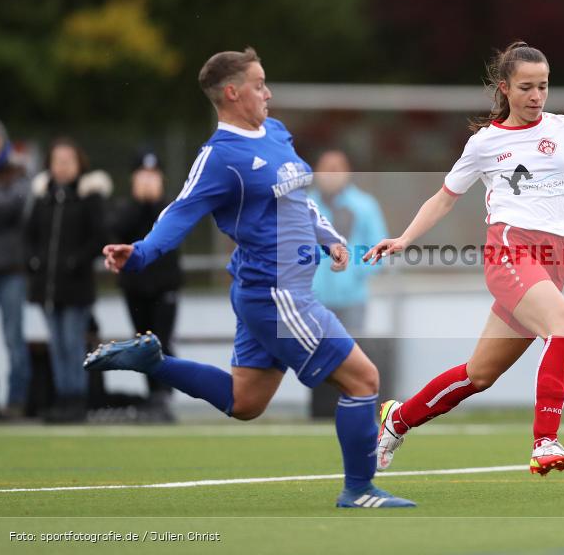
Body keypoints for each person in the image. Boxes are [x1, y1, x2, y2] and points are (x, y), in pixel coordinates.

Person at [84, 48, 415, 508]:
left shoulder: (276, 133)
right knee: (363, 379)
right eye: (259, 84)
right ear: (233, 92)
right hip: (277, 295)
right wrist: (139, 252)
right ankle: (359, 490)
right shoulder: (220, 158)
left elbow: (300, 198)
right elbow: (180, 213)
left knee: (246, 402)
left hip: (276, 292)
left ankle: (153, 363)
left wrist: (329, 237)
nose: (268, 93)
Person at [366, 41, 564, 475]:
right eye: (527, 87)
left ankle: (396, 420)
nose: (537, 96)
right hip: (511, 251)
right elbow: (445, 198)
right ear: (506, 89)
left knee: (478, 375)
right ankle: (544, 441)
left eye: (544, 86)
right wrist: (404, 238)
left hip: (554, 261)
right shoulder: (485, 143)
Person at [25, 137, 111, 422]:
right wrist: (33, 261)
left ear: (78, 164)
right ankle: (62, 398)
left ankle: (77, 399)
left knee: (73, 343)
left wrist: (76, 261)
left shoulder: (89, 196)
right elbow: (30, 236)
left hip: (76, 287)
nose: (61, 167)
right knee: (57, 344)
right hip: (48, 288)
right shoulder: (43, 197)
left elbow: (99, 236)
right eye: (57, 161)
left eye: (67, 161)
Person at [111, 151, 183, 421]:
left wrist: (154, 204)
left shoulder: (171, 207)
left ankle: (163, 395)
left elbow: (171, 233)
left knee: (162, 342)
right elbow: (118, 229)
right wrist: (140, 203)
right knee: (143, 342)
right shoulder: (125, 207)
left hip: (164, 287)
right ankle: (152, 394)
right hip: (135, 287)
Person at [309, 149, 387, 334]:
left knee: (352, 353)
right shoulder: (303, 205)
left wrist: (353, 272)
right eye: (326, 169)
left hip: (352, 300)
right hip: (311, 300)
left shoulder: (365, 205)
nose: (330, 175)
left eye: (336, 169)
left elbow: (379, 248)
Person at [0, 116, 31, 419]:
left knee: (13, 337)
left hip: (11, 269)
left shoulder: (18, 173)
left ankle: (17, 401)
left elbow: (12, 206)